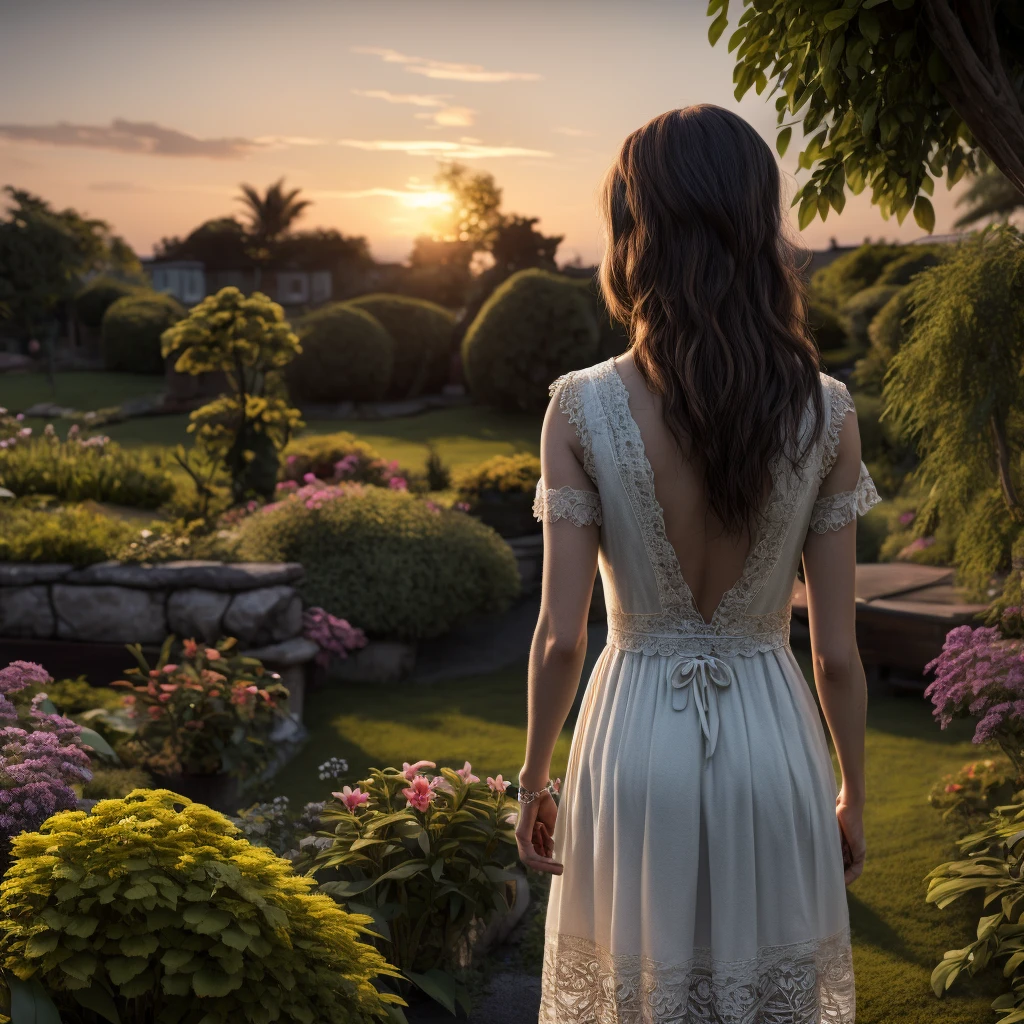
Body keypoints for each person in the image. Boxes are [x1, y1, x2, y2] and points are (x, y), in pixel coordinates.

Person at [515, 105, 874, 1023]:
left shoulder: (579, 408)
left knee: (637, 996)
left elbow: (563, 637)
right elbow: (835, 652)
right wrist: (853, 794)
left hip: (632, 742)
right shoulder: (827, 413)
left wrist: (533, 780)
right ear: (759, 225)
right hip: (775, 749)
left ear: (637, 227)